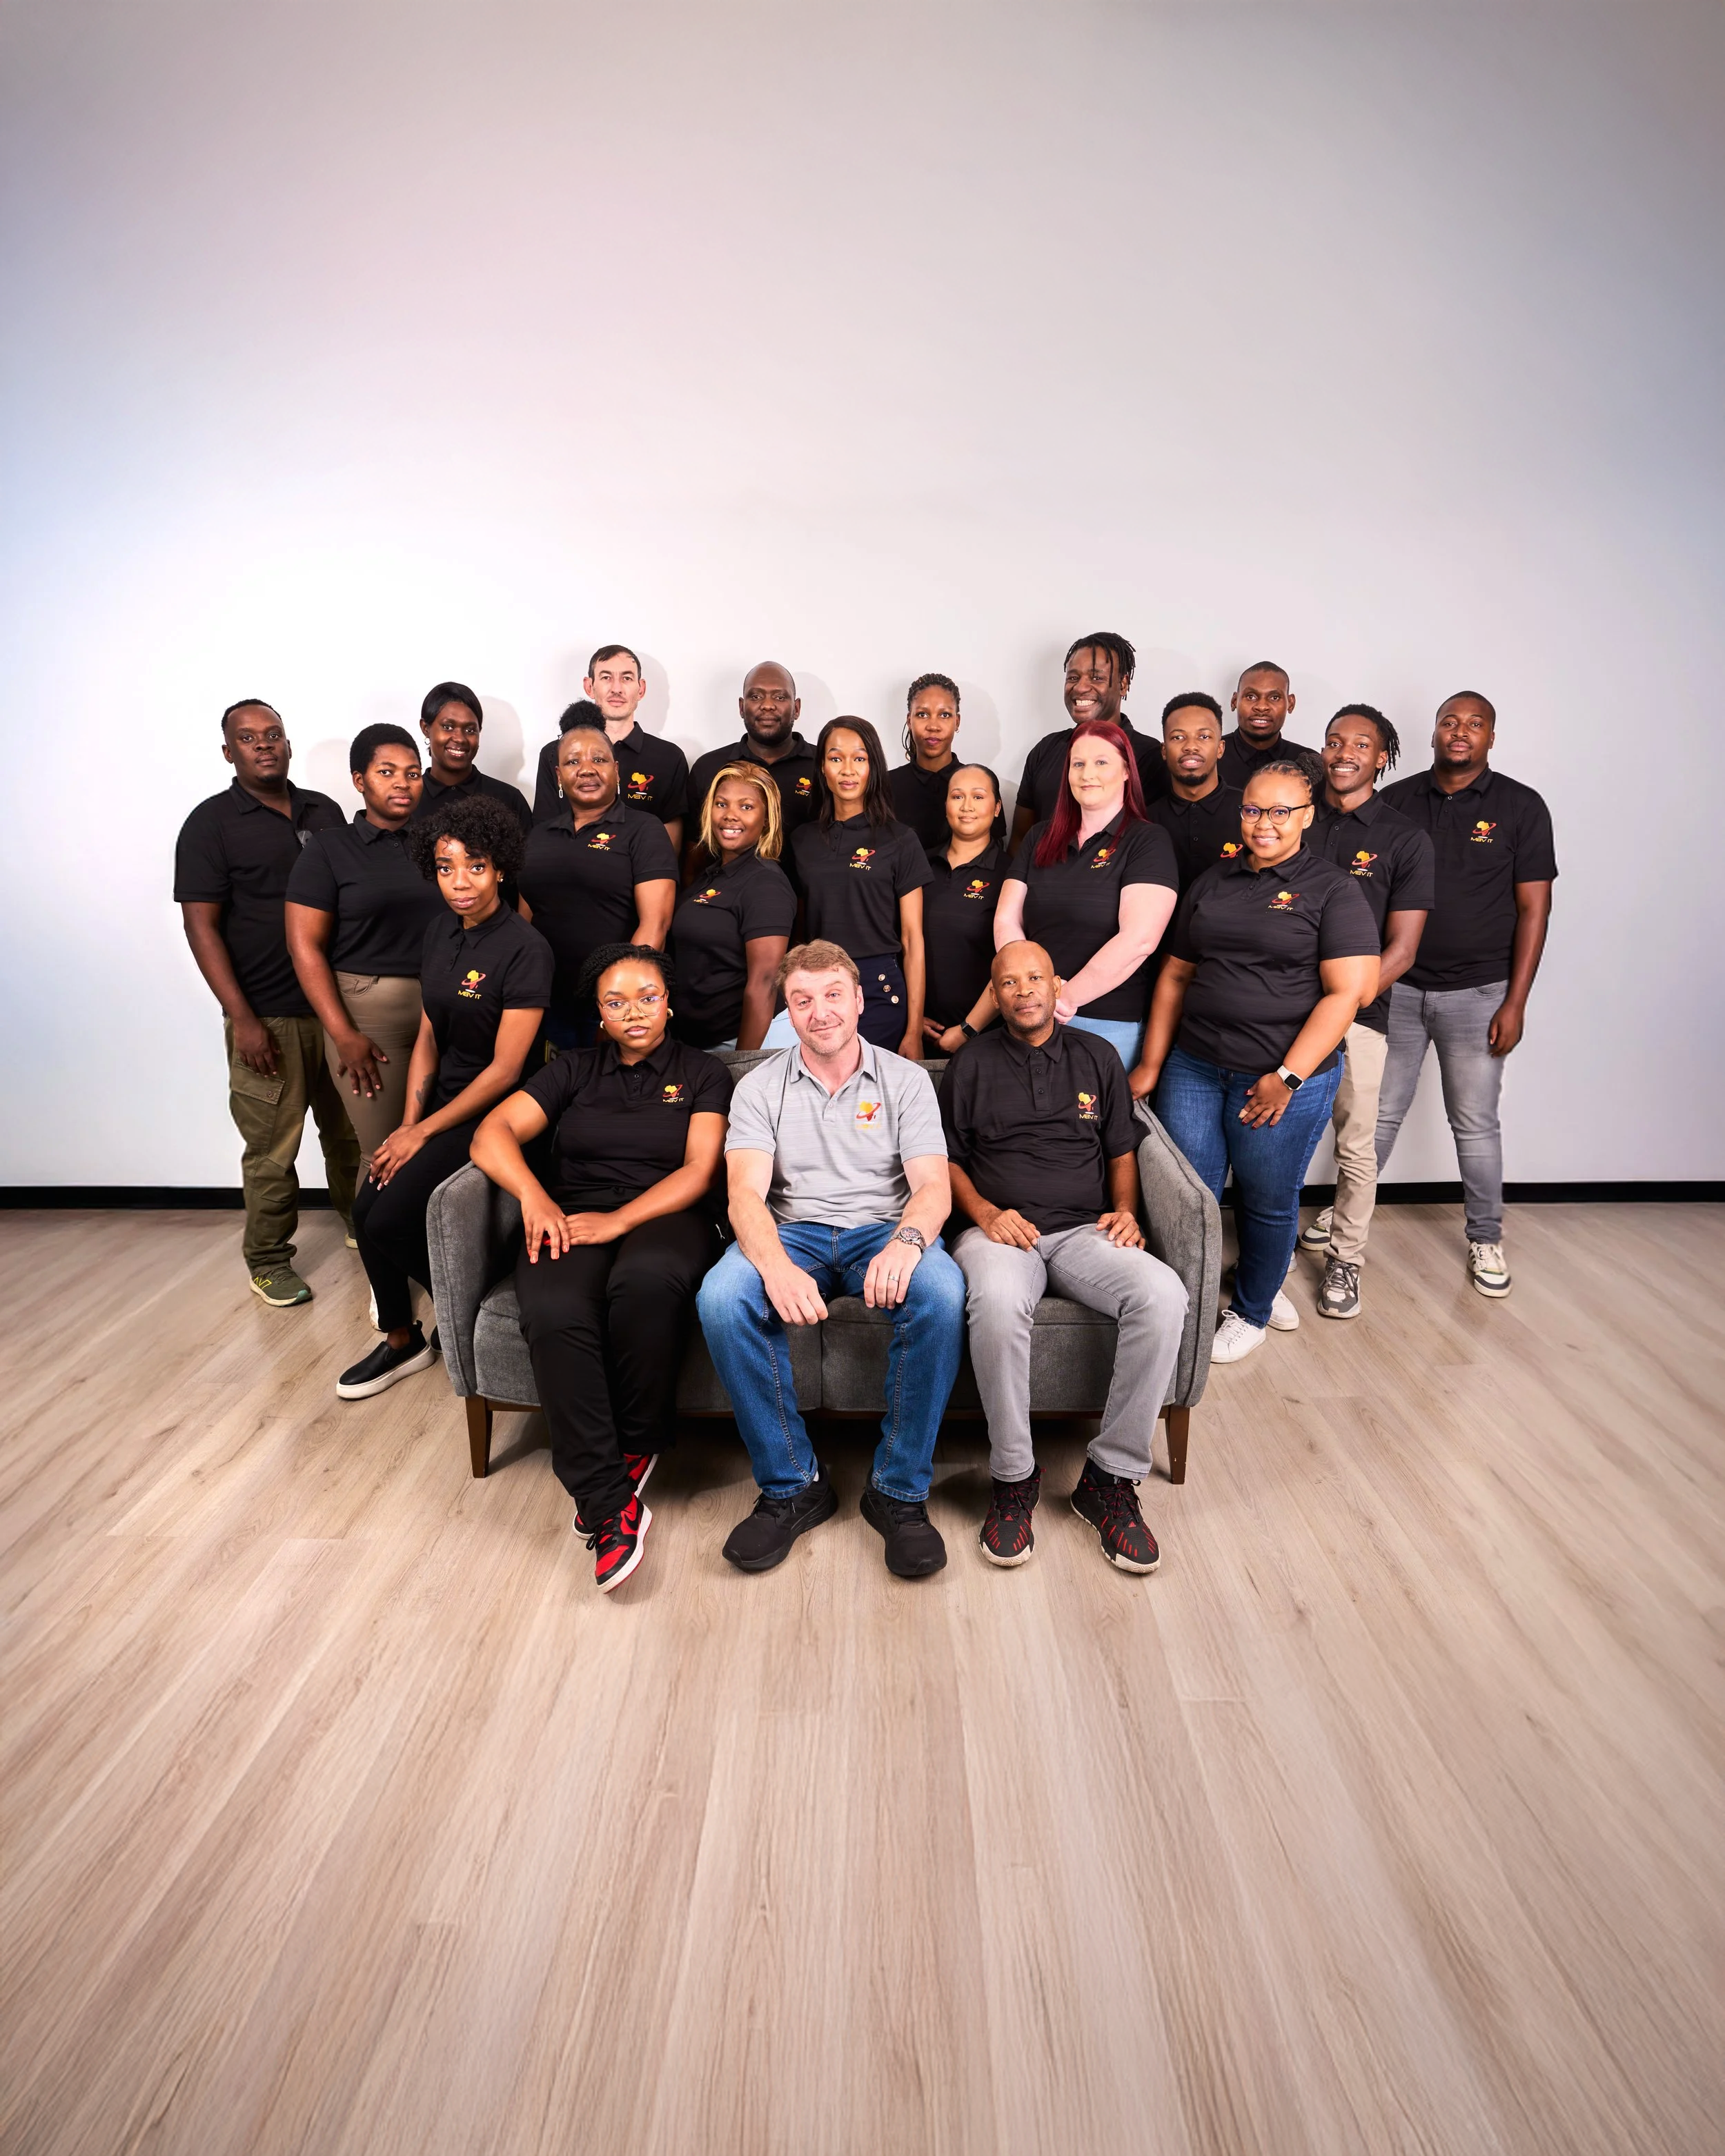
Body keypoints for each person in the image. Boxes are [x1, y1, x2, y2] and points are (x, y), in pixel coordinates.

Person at [697, 942, 966, 1579]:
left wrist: (906, 1242)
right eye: (803, 1000)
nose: (820, 1012)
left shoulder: (906, 1080)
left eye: (833, 995)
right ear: (788, 1012)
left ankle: (898, 1491)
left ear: (860, 1000)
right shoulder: (760, 1086)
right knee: (722, 1297)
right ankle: (793, 1484)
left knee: (942, 1292)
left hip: (884, 1229)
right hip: (793, 1232)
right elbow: (744, 1195)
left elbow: (933, 1187)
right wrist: (774, 1266)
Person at [472, 944, 731, 1591]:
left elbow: (700, 1170)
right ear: (599, 1013)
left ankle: (637, 1442)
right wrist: (535, 1197)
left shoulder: (704, 1071)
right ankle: (607, 1501)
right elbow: (489, 1135)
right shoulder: (573, 1069)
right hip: (572, 1211)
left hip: (669, 1213)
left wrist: (619, 1221)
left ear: (669, 1003)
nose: (634, 1012)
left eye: (647, 997)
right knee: (553, 1309)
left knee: (644, 1282)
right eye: (616, 1002)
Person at [944, 942, 1187, 1572]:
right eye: (1008, 982)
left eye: (1035, 978)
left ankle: (1109, 1477)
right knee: (998, 1300)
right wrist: (986, 1214)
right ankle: (1013, 1476)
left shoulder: (1097, 1056)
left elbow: (1121, 1150)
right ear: (995, 996)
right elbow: (947, 1161)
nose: (1023, 990)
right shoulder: (970, 1063)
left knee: (1164, 1293)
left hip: (1084, 1231)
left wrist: (1126, 1210)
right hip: (1000, 1233)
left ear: (1056, 987)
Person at [1127, 762, 1380, 1364]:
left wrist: (1287, 1077)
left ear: (1307, 816)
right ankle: (1186, 1305)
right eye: (1252, 810)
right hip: (1195, 1067)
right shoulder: (1213, 880)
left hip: (1281, 1078)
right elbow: (1176, 975)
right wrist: (1153, 1063)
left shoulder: (1333, 889)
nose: (1264, 823)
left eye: (1280, 812)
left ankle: (1252, 1311)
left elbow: (1346, 994)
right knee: (1189, 1196)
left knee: (1267, 1198)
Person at [336, 798, 553, 1402]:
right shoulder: (439, 931)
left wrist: (424, 1133)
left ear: (501, 868)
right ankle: (403, 1339)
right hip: (441, 1106)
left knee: (389, 1218)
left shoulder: (526, 948)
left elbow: (507, 1069)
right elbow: (429, 1035)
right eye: (445, 866)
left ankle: (469, 1311)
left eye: (475, 866)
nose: (460, 881)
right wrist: (407, 1123)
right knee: (365, 1207)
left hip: (497, 1110)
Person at [175, 698, 359, 1307]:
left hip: (336, 1008)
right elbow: (201, 927)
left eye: (273, 734)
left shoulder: (324, 811)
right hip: (268, 1016)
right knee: (273, 1151)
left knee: (351, 1134)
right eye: (249, 738)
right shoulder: (210, 824)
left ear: (287, 743)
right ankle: (269, 1259)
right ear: (229, 752)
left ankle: (363, 1223)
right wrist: (243, 1018)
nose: (264, 745)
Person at [1374, 692, 1556, 1298]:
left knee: (1474, 1123)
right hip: (1398, 989)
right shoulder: (1397, 800)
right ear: (1433, 732)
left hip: (1480, 992)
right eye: (1449, 721)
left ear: (1490, 738)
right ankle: (1347, 1215)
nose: (1460, 731)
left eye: (1475, 724)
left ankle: (1485, 1236)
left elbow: (1535, 909)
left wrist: (1516, 1002)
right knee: (1375, 1115)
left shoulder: (1521, 806)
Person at [1297, 706, 1435, 1318]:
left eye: (1360, 744)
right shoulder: (1298, 816)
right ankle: (1269, 1252)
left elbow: (1402, 949)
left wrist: (1338, 1008)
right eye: (1334, 741)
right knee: (1273, 1138)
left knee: (1355, 1146)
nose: (1344, 752)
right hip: (1283, 1011)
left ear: (1381, 758)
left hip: (1360, 1017)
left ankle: (1346, 1260)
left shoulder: (1404, 838)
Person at [286, 725, 445, 1175]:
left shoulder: (439, 845)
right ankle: (371, 1225)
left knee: (435, 1145)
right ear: (359, 780)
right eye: (387, 772)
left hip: (443, 1005)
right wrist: (343, 1034)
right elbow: (304, 946)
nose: (402, 783)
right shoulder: (330, 849)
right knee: (384, 1151)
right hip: (369, 1014)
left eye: (412, 773)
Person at [994, 719, 1179, 1067]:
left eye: (1101, 762)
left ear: (1126, 771)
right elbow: (1006, 919)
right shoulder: (1038, 837)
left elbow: (1139, 940)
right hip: (1029, 1019)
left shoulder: (1147, 841)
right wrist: (1029, 992)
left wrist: (1063, 998)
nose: (1087, 774)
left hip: (1106, 1024)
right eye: (1078, 764)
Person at [769, 716, 931, 1056]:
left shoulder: (900, 839)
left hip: (878, 987)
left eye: (859, 758)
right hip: (815, 985)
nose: (847, 770)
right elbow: (795, 926)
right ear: (822, 768)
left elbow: (912, 939)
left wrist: (914, 1030)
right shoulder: (802, 840)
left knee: (870, 1089)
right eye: (835, 758)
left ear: (873, 767)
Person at [518, 722, 678, 1051]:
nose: (587, 769)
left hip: (610, 1008)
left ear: (616, 771)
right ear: (558, 776)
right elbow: (525, 921)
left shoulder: (643, 830)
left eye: (599, 759)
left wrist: (619, 1007)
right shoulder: (539, 836)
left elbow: (655, 926)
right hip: (544, 1000)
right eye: (573, 761)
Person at [669, 764, 797, 1051]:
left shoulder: (766, 884)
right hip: (694, 1043)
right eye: (722, 804)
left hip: (734, 1044)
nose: (730, 815)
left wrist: (744, 1064)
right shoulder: (711, 875)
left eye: (746, 806)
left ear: (767, 819)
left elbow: (765, 983)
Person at [1009, 634, 1167, 851]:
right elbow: (1020, 840)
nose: (1081, 688)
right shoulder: (1045, 750)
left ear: (1123, 684)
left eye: (1096, 678)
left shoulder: (1150, 756)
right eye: (1073, 678)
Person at [532, 646, 689, 849]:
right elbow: (543, 835)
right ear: (589, 686)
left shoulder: (669, 758)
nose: (617, 688)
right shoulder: (555, 753)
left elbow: (668, 851)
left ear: (641, 689)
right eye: (606, 678)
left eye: (627, 678)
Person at [685, 661, 823, 871]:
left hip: (808, 892)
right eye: (756, 696)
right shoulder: (710, 768)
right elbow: (694, 854)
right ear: (742, 707)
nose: (767, 705)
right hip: (725, 890)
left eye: (780, 697)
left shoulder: (824, 766)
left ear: (796, 708)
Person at [920, 764, 1011, 1054]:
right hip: (915, 1033)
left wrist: (968, 1030)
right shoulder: (918, 865)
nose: (967, 806)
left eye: (979, 797)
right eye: (957, 796)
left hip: (986, 1037)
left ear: (997, 808)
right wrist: (910, 1018)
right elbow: (898, 944)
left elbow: (1012, 963)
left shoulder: (1010, 874)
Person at [1146, 693, 1245, 889]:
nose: (1191, 747)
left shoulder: (1251, 812)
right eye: (1178, 737)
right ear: (1164, 751)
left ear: (1220, 748)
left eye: (1204, 737)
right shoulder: (1145, 820)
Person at [413, 680, 531, 833]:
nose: (460, 739)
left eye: (470, 730)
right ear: (426, 728)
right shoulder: (407, 799)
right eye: (448, 727)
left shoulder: (509, 799)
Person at [887, 673, 963, 853]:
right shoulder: (885, 785)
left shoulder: (979, 784)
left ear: (957, 722)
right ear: (909, 721)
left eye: (944, 715)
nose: (933, 726)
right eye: (922, 714)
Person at [1218, 661, 1317, 791]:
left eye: (1274, 698)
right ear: (1234, 701)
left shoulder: (1309, 764)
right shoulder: (1211, 757)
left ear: (1290, 703)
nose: (1262, 707)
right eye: (1251, 697)